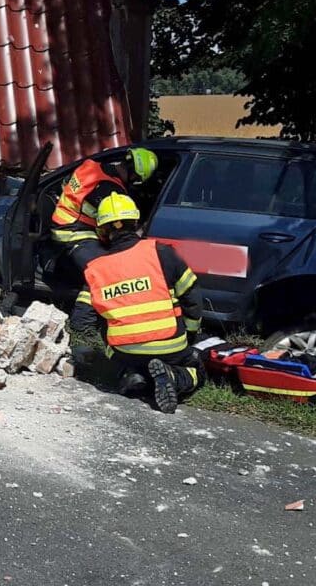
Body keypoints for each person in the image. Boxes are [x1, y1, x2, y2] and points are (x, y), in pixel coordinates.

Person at [70, 192, 204, 413]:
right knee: (197, 370)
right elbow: (192, 296)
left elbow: (80, 320)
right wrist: (190, 333)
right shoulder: (161, 252)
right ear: (136, 222)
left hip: (124, 350)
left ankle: (133, 373)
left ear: (103, 231)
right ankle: (174, 375)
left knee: (111, 328)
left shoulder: (95, 269)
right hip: (171, 344)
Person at [49, 148, 159, 272]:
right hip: (73, 234)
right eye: (136, 179)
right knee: (105, 270)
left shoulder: (90, 167)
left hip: (59, 222)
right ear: (134, 174)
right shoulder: (111, 192)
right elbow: (111, 229)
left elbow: (65, 183)